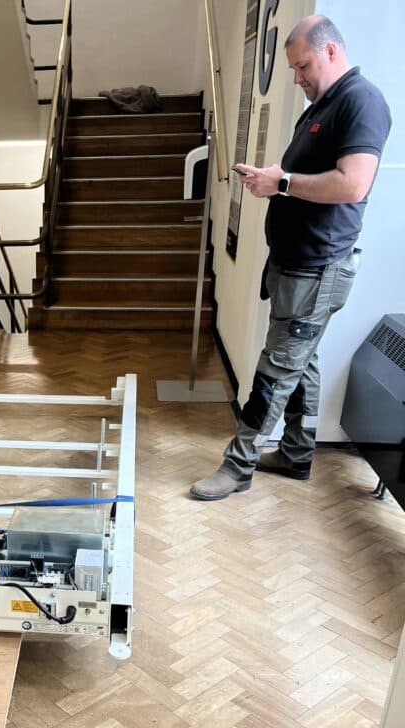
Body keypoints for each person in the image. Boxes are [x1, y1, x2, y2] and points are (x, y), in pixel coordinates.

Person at [191, 14, 391, 501]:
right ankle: (298, 452)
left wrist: (280, 183)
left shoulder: (361, 102)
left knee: (277, 368)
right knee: (304, 360)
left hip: (319, 267)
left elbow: (353, 184)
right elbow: (305, 174)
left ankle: (237, 467)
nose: (298, 78)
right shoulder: (322, 105)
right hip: (296, 263)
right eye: (293, 70)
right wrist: (273, 176)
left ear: (330, 51)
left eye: (302, 66)